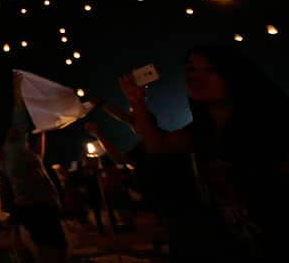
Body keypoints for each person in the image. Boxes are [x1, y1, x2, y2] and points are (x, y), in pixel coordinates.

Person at [119, 45, 289, 262]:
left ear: (234, 75)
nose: (196, 78)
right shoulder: (201, 130)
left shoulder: (272, 123)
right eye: (190, 70)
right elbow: (158, 146)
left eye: (210, 71)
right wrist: (136, 101)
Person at [0, 72, 68, 263]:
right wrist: (17, 91)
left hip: (39, 207)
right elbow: (19, 115)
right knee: (52, 250)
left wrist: (43, 125)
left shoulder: (19, 157)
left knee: (44, 250)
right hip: (38, 208)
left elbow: (39, 155)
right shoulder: (13, 149)